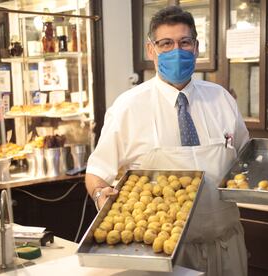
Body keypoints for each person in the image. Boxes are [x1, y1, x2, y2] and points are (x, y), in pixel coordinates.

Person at [85, 6, 249, 276]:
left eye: (184, 42)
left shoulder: (221, 99)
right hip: (159, 255)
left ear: (196, 47)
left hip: (225, 248)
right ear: (151, 50)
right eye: (166, 44)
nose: (177, 51)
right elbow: (96, 173)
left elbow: (246, 161)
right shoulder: (128, 107)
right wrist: (102, 195)